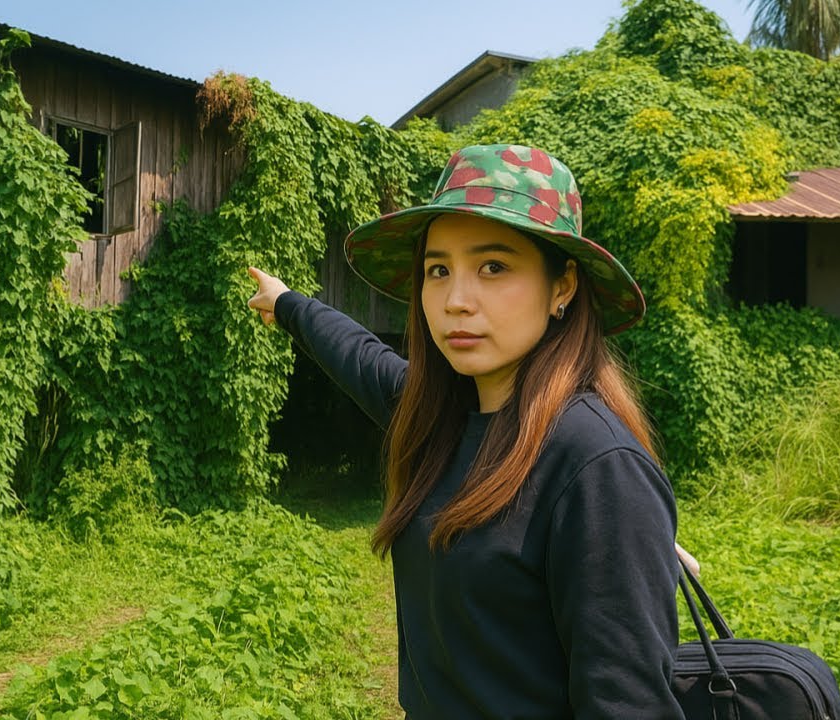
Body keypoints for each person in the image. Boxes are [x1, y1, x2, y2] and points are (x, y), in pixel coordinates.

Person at [247, 144, 690, 719]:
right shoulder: (441, 418)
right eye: (438, 270)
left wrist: (624, 531)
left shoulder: (594, 463)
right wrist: (287, 304)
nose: (456, 301)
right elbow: (358, 356)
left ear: (563, 287)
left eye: (494, 267)